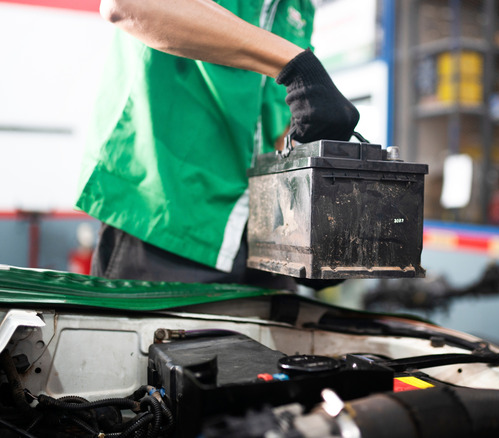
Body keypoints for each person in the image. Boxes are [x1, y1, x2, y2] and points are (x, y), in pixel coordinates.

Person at [75, 0, 359, 288]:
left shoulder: (298, 6)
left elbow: (275, 122)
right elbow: (127, 4)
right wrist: (295, 66)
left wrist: (307, 217)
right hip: (165, 221)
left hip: (261, 240)